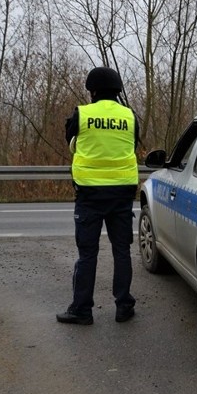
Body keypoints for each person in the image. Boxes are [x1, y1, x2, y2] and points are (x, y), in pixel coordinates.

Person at [56, 66, 139, 325]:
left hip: (90, 194)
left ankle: (82, 310)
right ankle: (124, 306)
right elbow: (132, 145)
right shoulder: (130, 116)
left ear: (92, 91)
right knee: (122, 251)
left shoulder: (82, 113)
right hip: (123, 193)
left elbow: (71, 143)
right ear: (117, 91)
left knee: (88, 253)